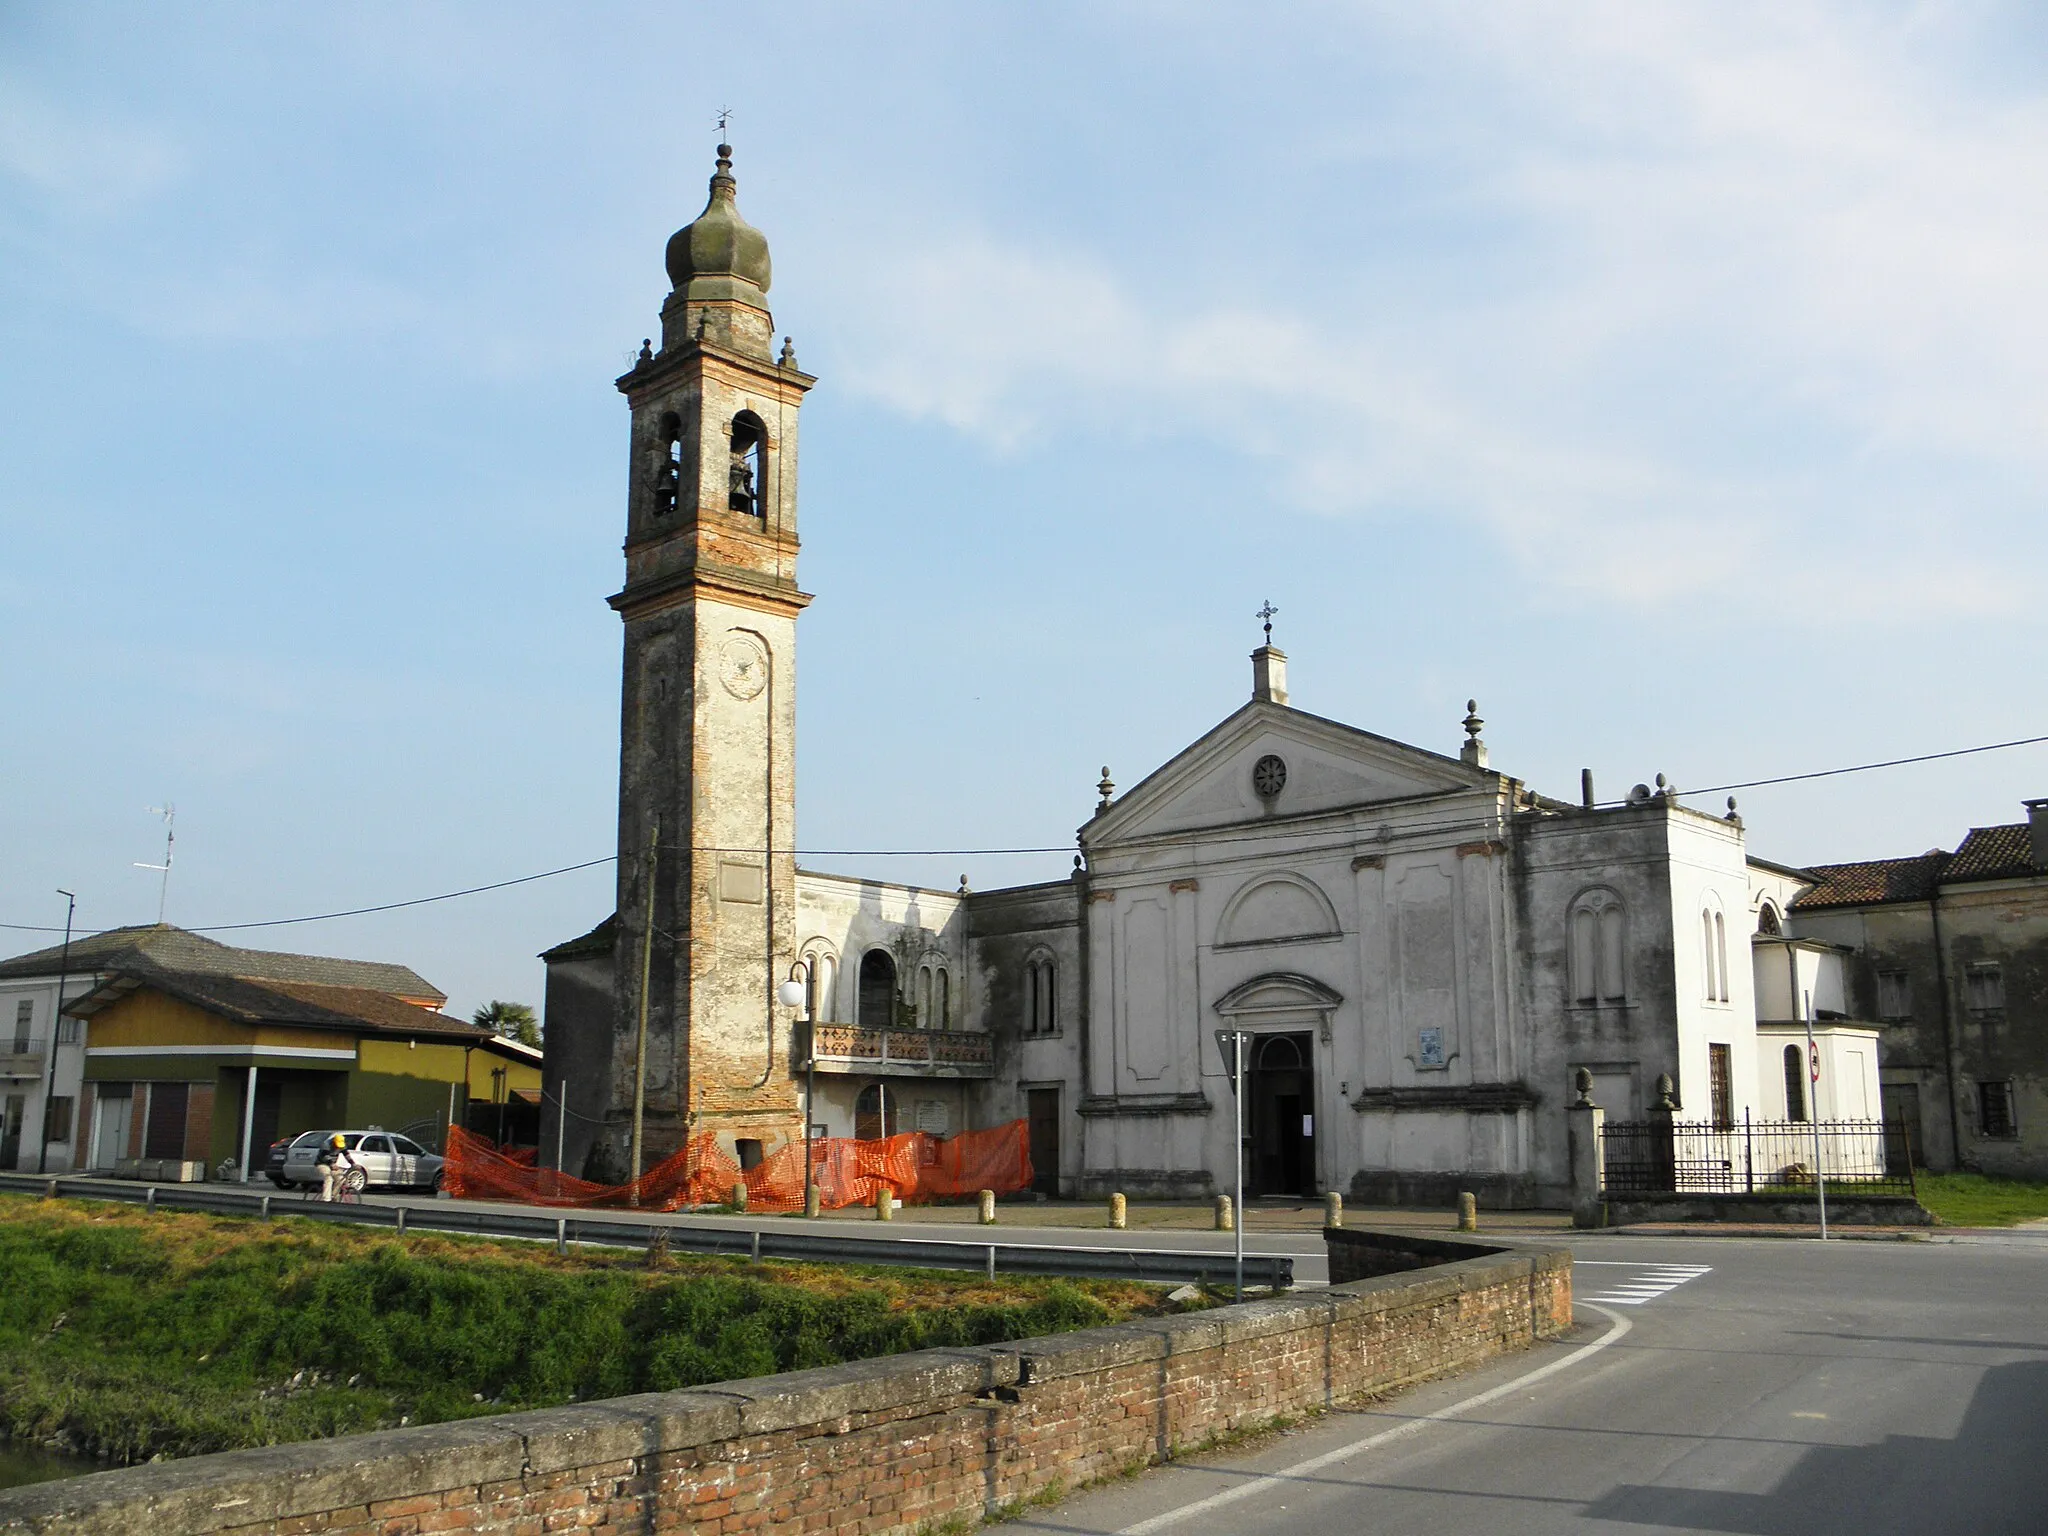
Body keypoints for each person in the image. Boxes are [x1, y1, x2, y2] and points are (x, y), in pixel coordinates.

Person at [317, 1133, 359, 1202]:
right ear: (334, 1142)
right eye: (337, 1145)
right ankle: (326, 1200)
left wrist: (353, 1164)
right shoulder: (326, 1144)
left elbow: (346, 1155)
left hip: (333, 1165)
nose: (338, 1148)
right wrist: (331, 1164)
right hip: (322, 1164)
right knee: (329, 1179)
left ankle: (334, 1197)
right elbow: (324, 1156)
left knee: (340, 1178)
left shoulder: (342, 1145)